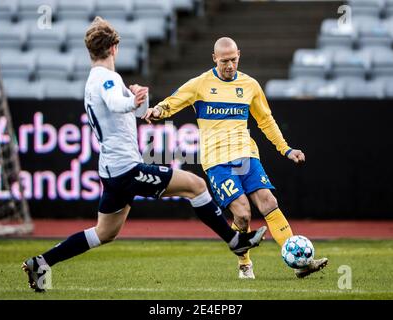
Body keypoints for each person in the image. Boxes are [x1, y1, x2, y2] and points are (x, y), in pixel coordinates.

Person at [22, 19, 267, 292]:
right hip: (127, 169)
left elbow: (134, 113)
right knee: (196, 186)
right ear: (114, 48)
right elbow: (119, 105)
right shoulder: (108, 79)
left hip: (111, 170)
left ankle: (42, 261)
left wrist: (140, 98)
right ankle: (236, 242)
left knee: (105, 233)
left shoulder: (96, 80)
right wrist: (131, 100)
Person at [143, 37, 328, 279]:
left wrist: (286, 149)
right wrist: (157, 111)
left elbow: (266, 121)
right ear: (214, 59)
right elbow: (171, 103)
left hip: (246, 155)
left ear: (239, 55)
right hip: (217, 161)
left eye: (233, 60)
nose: (229, 65)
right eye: (224, 61)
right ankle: (244, 264)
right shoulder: (200, 84)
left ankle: (300, 264)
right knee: (242, 213)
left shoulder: (250, 85)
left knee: (268, 202)